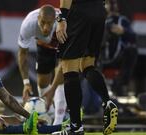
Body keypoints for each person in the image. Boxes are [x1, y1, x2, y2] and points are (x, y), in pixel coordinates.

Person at [51, 0, 119, 134]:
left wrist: (62, 18)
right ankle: (107, 101)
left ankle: (76, 126)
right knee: (87, 65)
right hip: (99, 11)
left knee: (69, 68)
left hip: (79, 12)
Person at [17, 4, 67, 125]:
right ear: (38, 19)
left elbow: (64, 63)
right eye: (42, 22)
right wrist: (26, 83)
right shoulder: (28, 24)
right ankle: (48, 117)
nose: (45, 27)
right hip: (44, 45)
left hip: (61, 38)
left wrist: (53, 90)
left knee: (62, 78)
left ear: (55, 20)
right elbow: (22, 54)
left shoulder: (65, 24)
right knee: (42, 82)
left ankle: (58, 122)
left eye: (49, 23)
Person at [101, 0, 137, 96]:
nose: (112, 6)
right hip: (99, 58)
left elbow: (133, 37)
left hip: (117, 59)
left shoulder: (122, 20)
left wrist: (123, 31)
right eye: (109, 3)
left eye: (114, 3)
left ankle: (120, 85)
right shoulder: (100, 19)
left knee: (132, 50)